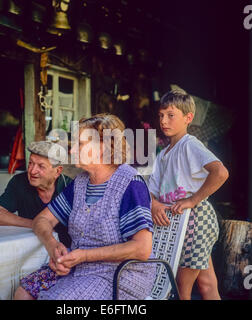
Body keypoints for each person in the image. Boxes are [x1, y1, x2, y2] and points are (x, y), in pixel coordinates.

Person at [14, 113, 155, 300]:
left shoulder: (130, 184)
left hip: (118, 275)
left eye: (80, 144)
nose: (72, 151)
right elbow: (42, 220)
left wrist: (85, 256)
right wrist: (53, 247)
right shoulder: (80, 184)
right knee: (23, 291)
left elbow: (142, 249)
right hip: (77, 266)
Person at [148, 89, 229, 300]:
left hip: (197, 219)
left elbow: (220, 172)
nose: (164, 120)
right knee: (206, 282)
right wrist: (154, 205)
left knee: (181, 287)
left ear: (188, 118)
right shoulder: (164, 154)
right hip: (178, 223)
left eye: (171, 115)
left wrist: (192, 199)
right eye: (161, 115)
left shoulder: (189, 145)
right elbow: (151, 192)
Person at [0, 140, 72, 247]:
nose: (32, 171)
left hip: (63, 252)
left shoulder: (69, 187)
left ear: (57, 171)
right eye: (31, 163)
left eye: (41, 166)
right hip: (28, 250)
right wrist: (37, 225)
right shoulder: (19, 182)